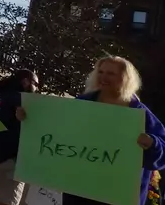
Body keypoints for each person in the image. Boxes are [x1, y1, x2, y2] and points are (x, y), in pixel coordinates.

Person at [17, 56, 165, 205]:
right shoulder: (82, 103)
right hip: (79, 192)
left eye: (110, 73)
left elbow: (162, 152)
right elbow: (54, 129)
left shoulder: (139, 113)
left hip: (118, 195)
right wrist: (29, 116)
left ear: (125, 78)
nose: (103, 77)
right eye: (100, 72)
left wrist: (152, 144)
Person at [0, 69, 38, 205]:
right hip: (8, 161)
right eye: (35, 83)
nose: (36, 88)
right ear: (25, 82)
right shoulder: (20, 98)